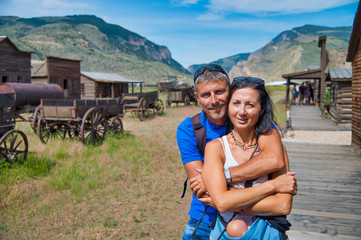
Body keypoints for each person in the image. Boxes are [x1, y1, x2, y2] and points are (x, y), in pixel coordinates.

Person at [177, 64, 290, 240]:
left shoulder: (258, 125)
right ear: (197, 97)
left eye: (220, 92)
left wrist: (219, 179)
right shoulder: (190, 129)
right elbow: (203, 188)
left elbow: (274, 160)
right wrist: (271, 186)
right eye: (206, 94)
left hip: (255, 223)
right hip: (205, 218)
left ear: (230, 91)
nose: (214, 100)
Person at [202, 77, 297, 239]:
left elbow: (282, 205)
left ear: (261, 109)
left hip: (267, 233)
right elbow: (223, 203)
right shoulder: (216, 148)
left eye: (250, 105)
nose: (242, 111)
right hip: (225, 233)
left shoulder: (275, 149)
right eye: (236, 103)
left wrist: (234, 201)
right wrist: (273, 186)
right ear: (228, 106)